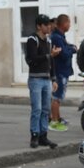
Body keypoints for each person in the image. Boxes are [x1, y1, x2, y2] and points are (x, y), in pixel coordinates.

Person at [25, 15, 58, 149]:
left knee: (46, 109)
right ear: (39, 26)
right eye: (46, 25)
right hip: (36, 79)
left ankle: (43, 135)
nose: (49, 27)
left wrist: (54, 78)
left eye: (49, 25)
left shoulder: (49, 41)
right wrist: (49, 55)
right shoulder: (32, 40)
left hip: (46, 80)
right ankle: (34, 135)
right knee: (37, 109)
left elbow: (51, 61)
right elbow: (32, 59)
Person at [49, 14, 76, 131]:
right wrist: (72, 50)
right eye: (68, 22)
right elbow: (64, 54)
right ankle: (54, 122)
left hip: (63, 71)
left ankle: (58, 118)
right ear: (63, 24)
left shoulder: (61, 37)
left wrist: (70, 48)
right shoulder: (57, 38)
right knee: (57, 97)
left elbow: (66, 48)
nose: (70, 25)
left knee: (59, 97)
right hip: (60, 71)